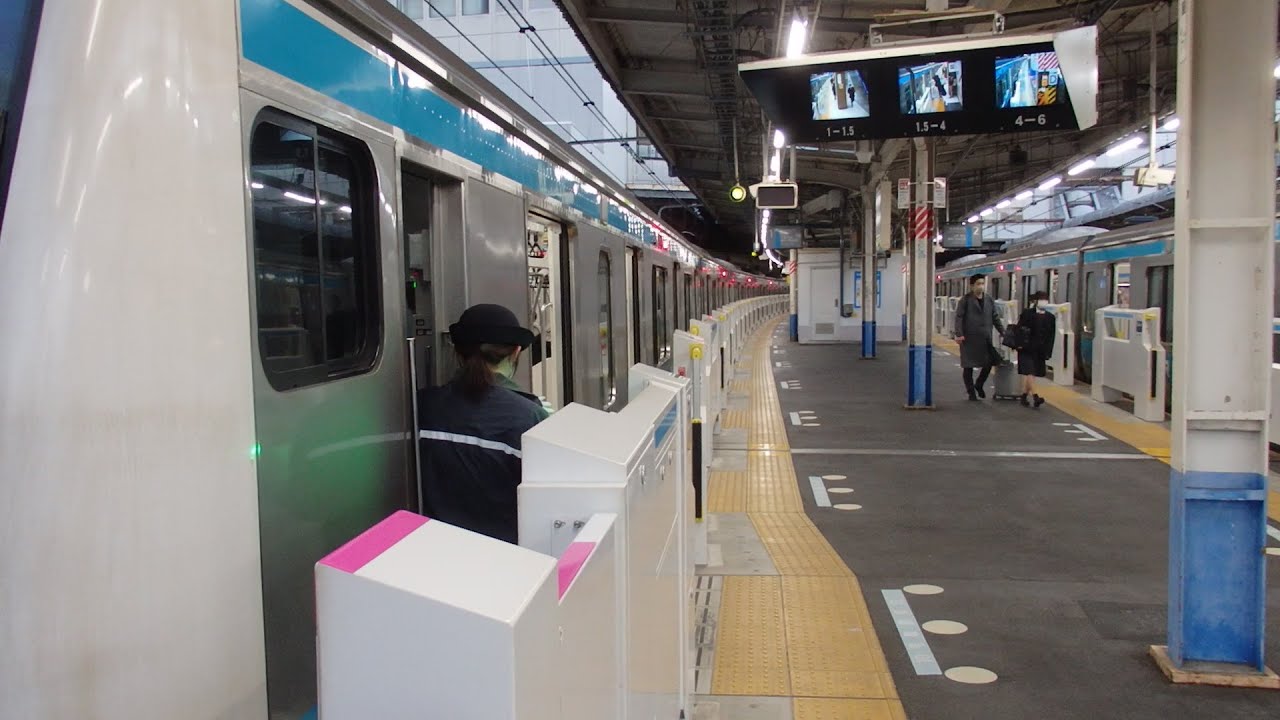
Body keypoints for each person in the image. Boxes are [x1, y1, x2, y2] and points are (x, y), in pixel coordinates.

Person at [417, 303, 550, 544]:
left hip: (432, 550)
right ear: (516, 352)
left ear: (458, 352)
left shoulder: (422, 407)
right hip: (506, 556)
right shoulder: (530, 417)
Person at [953, 274, 1004, 401]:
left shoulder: (989, 300)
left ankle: (979, 384)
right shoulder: (965, 300)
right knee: (968, 366)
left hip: (985, 338)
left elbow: (995, 317)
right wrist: (959, 334)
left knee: (989, 363)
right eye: (978, 283)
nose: (981, 286)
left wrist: (1003, 332)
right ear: (972, 286)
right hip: (969, 338)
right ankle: (971, 392)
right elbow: (959, 317)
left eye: (982, 283)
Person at [1016, 291, 1056, 408]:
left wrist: (1048, 352)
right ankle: (1036, 396)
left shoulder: (1050, 317)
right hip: (1026, 348)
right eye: (1041, 299)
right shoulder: (1027, 313)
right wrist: (1018, 344)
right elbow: (1019, 329)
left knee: (1032, 373)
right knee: (1030, 371)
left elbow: (1051, 336)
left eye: (1045, 299)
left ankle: (1024, 396)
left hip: (1040, 350)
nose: (1044, 301)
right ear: (1035, 301)